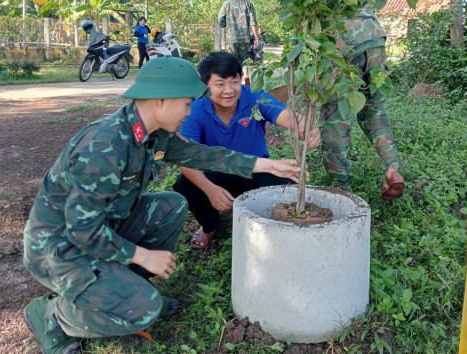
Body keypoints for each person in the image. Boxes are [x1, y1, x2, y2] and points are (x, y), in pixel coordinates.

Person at [22, 57, 302, 354]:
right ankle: (53, 314)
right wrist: (142, 255)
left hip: (104, 228)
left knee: (171, 205)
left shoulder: (153, 132)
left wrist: (268, 165)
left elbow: (203, 156)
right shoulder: (104, 147)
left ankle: (126, 285)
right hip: (59, 248)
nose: (191, 110)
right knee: (145, 310)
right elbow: (81, 230)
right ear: (161, 100)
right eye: (186, 103)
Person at [173, 52, 320, 250]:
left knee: (288, 183)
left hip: (256, 170)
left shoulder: (254, 97)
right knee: (185, 185)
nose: (229, 90)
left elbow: (285, 115)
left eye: (234, 82)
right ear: (206, 85)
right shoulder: (196, 109)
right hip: (216, 173)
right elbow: (187, 159)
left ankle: (270, 225)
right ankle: (210, 225)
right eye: (220, 84)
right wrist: (210, 190)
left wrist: (306, 125)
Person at [321, 6, 405, 200]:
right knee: (373, 108)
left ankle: (339, 187)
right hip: (375, 38)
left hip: (345, 44)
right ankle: (392, 167)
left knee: (335, 118)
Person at [217, 0, 260, 83]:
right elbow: (254, 22)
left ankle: (233, 81)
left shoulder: (226, 4)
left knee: (231, 60)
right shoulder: (248, 4)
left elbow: (220, 20)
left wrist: (224, 25)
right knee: (243, 59)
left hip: (231, 38)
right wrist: (256, 38)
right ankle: (245, 75)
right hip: (244, 38)